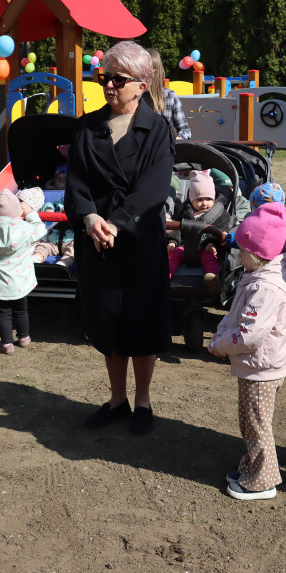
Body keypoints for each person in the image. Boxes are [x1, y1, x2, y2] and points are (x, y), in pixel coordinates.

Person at [65, 41, 174, 435]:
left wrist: (118, 221)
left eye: (119, 80)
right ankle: (117, 399)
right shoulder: (87, 126)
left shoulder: (158, 128)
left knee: (142, 321)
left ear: (143, 85)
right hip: (97, 240)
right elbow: (75, 182)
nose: (109, 85)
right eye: (104, 77)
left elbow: (155, 187)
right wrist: (92, 217)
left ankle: (142, 401)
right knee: (108, 319)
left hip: (140, 239)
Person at [208, 203, 286, 501]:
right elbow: (239, 319)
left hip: (261, 368)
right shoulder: (261, 276)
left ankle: (262, 481)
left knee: (257, 424)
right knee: (250, 421)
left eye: (243, 250)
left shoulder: (265, 288)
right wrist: (223, 331)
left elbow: (249, 334)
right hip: (257, 365)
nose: (238, 254)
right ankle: (252, 467)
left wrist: (220, 344)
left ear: (259, 255)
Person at [0, 189, 47, 354]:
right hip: (21, 281)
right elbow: (40, 229)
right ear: (19, 210)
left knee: (3, 314)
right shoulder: (25, 230)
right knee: (21, 310)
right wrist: (31, 213)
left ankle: (6, 344)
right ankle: (24, 337)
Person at [167, 170, 230, 293]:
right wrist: (173, 241)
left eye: (208, 199)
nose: (204, 203)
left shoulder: (219, 213)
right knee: (173, 255)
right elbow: (177, 228)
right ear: (191, 200)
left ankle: (212, 277)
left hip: (204, 247)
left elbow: (223, 229)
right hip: (185, 246)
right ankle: (164, 277)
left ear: (213, 198)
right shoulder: (185, 211)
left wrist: (213, 243)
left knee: (210, 258)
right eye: (199, 199)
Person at [145, 48, 192, 140]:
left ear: (155, 73)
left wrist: (176, 140)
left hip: (162, 149)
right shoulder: (135, 96)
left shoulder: (169, 96)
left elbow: (185, 130)